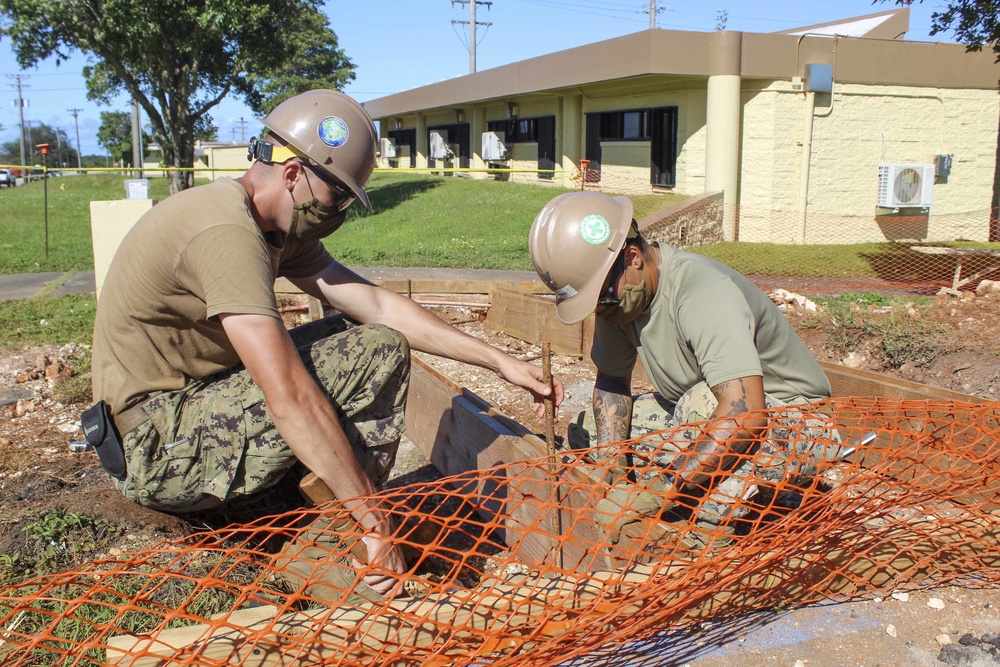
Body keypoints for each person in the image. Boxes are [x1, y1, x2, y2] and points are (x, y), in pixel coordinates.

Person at [87, 89, 563, 596]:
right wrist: (377, 525)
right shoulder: (224, 232)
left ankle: (329, 512)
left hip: (186, 413)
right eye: (336, 196)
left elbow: (375, 306)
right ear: (293, 174)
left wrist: (497, 361)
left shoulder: (271, 224)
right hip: (156, 449)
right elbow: (287, 394)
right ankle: (342, 540)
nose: (338, 212)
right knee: (368, 353)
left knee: (365, 338)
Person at [528, 191, 844, 529]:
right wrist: (613, 470)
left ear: (633, 257)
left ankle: (725, 524)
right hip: (701, 410)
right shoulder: (621, 302)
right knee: (589, 429)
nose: (601, 313)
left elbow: (745, 413)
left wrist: (662, 492)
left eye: (602, 300)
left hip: (793, 423)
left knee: (699, 409)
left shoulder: (702, 292)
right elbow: (611, 384)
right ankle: (700, 491)